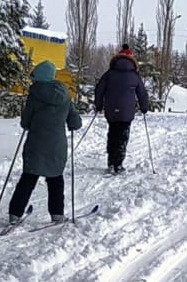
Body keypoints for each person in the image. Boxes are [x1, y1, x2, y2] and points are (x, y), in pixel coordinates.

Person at [8, 60, 82, 225]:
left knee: (28, 178)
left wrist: (29, 123)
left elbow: (25, 121)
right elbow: (75, 122)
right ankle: (57, 214)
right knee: (55, 180)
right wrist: (70, 122)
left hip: (36, 144)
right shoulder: (65, 95)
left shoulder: (34, 94)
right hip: (57, 146)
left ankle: (15, 213)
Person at [94, 44, 148, 174]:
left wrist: (98, 105)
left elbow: (99, 90)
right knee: (122, 137)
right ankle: (118, 164)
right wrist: (144, 107)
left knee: (112, 134)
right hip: (126, 112)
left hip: (111, 111)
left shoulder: (109, 74)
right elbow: (142, 93)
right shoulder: (134, 75)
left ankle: (111, 162)